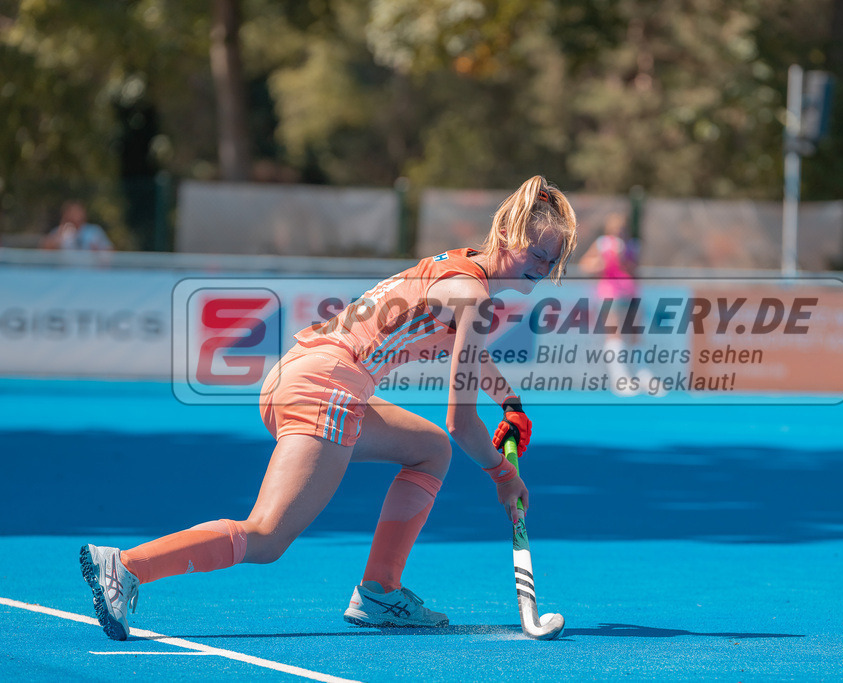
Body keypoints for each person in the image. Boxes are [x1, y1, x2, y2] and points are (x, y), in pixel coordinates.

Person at [80, 175, 578, 640]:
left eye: (552, 262)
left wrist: (510, 403)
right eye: (537, 254)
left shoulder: (461, 268)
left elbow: (460, 352)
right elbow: (461, 423)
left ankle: (380, 591)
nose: (543, 269)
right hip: (327, 386)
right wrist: (502, 476)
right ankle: (124, 566)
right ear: (508, 235)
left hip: (299, 371)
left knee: (428, 449)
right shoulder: (474, 296)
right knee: (268, 536)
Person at [577, 212, 654, 396]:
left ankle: (641, 373)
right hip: (610, 294)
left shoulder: (633, 246)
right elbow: (585, 265)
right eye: (615, 231)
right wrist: (602, 263)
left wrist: (624, 259)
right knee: (615, 334)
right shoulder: (602, 244)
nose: (619, 234)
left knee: (636, 334)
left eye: (622, 231)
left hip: (631, 293)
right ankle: (619, 378)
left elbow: (635, 269)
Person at [42, 200, 114, 251]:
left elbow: (109, 252)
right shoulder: (60, 231)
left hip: (90, 271)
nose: (76, 216)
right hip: (64, 272)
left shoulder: (94, 231)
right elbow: (45, 250)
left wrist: (98, 252)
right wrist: (59, 236)